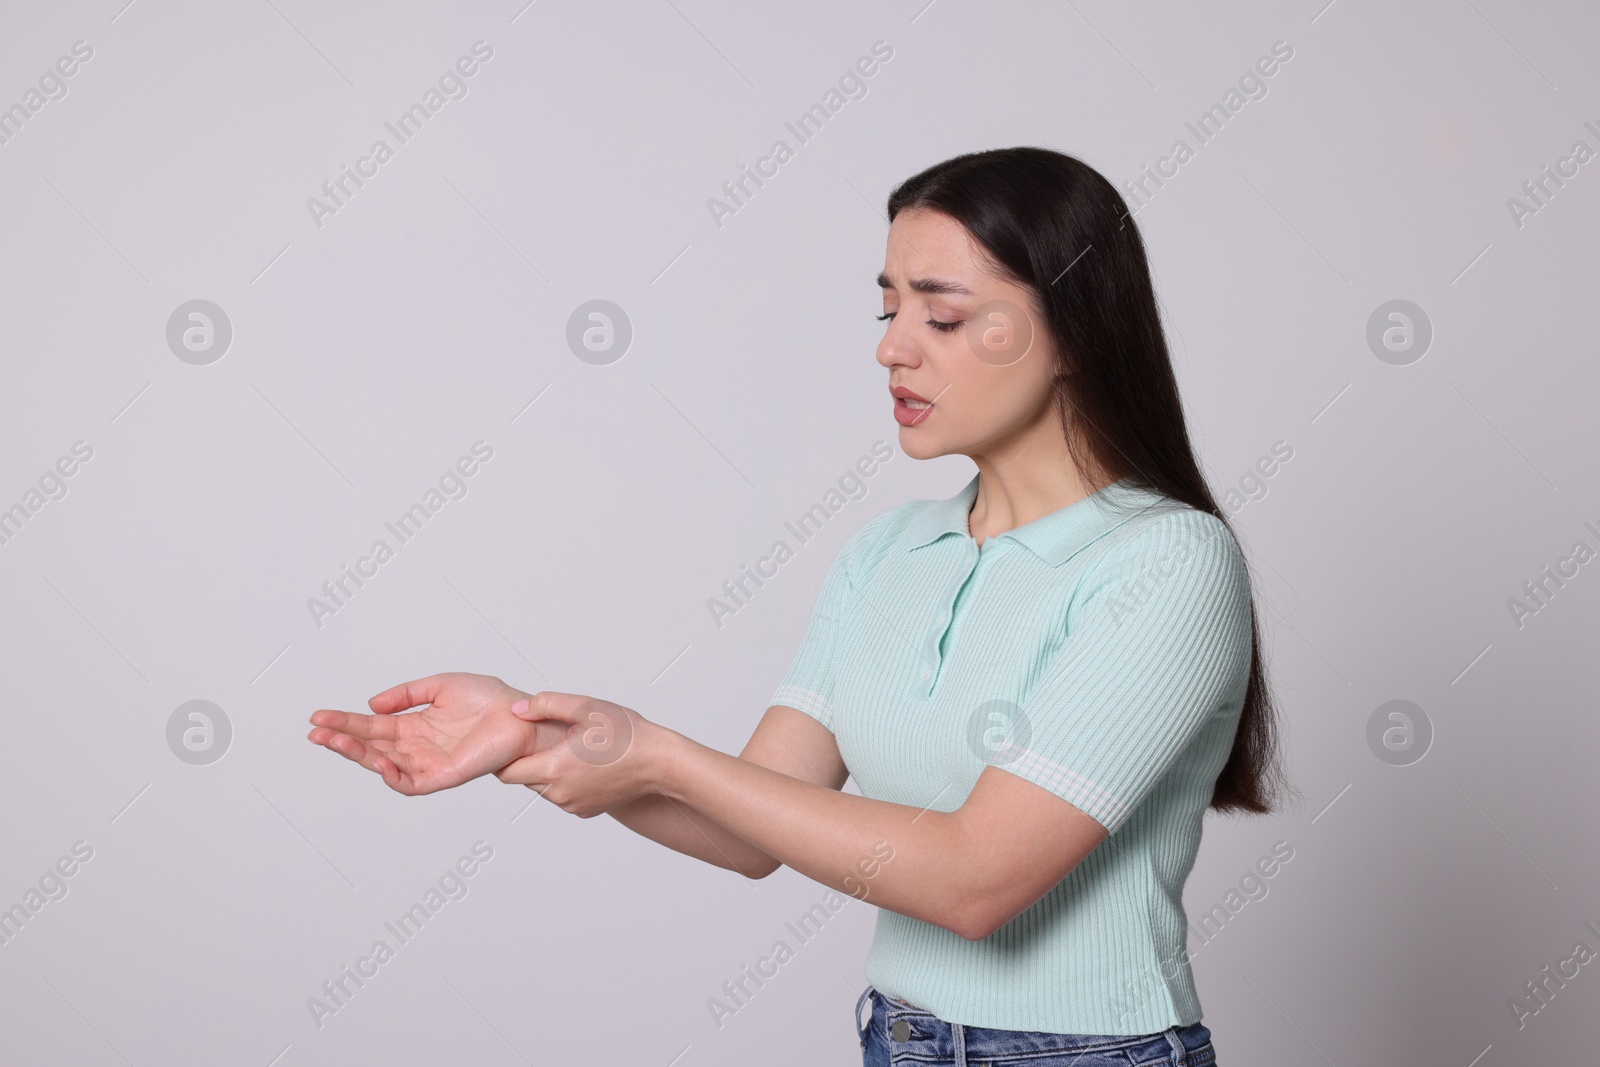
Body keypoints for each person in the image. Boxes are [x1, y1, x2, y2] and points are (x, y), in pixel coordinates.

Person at [307, 145, 1290, 1067]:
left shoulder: (1165, 563)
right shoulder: (887, 554)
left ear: (1075, 328)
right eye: (887, 310)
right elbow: (747, 828)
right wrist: (537, 735)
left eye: (940, 317)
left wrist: (658, 749)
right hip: (896, 1036)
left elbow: (974, 880)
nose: (892, 350)